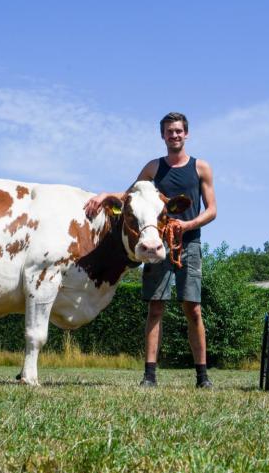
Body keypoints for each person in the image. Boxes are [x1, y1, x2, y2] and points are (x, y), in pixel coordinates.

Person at [84, 112, 217, 388]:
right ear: (163, 136)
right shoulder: (153, 168)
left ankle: (202, 377)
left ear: (187, 134)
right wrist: (103, 195)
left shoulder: (201, 168)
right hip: (157, 245)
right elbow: (129, 196)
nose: (175, 135)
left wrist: (187, 224)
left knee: (193, 309)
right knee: (155, 308)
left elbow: (213, 210)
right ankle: (149, 376)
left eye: (179, 131)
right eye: (170, 132)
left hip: (189, 244)